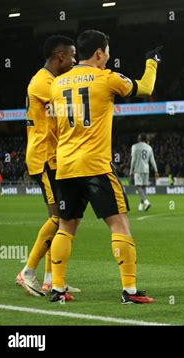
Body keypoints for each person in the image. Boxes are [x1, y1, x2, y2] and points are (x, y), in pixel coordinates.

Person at [50, 29, 161, 303]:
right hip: (96, 165)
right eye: (107, 52)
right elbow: (145, 88)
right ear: (99, 53)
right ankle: (130, 291)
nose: (109, 57)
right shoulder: (107, 78)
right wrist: (152, 61)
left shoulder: (57, 84)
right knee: (120, 224)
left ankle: (57, 289)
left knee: (66, 226)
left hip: (65, 165)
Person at [16, 35, 80, 297]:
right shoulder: (43, 82)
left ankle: (50, 279)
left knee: (65, 218)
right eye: (73, 56)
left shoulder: (51, 81)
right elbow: (70, 111)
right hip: (44, 158)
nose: (75, 61)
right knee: (58, 217)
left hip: (56, 157)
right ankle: (27, 272)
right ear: (60, 57)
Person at [130, 133, 159, 211]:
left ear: (139, 138)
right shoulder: (149, 148)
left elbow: (133, 160)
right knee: (143, 188)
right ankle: (141, 205)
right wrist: (156, 170)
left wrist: (131, 170)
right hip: (146, 170)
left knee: (138, 187)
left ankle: (146, 202)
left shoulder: (134, 146)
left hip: (138, 169)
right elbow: (152, 160)